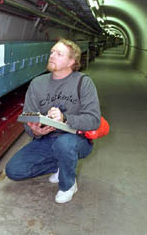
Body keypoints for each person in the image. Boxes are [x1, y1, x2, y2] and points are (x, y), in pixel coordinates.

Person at [6, 39, 101, 203]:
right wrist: (35, 131)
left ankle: (68, 185)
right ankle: (61, 165)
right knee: (14, 170)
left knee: (64, 144)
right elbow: (27, 116)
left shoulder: (83, 82)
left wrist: (65, 118)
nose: (52, 56)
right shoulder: (37, 83)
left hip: (76, 139)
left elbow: (94, 120)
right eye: (52, 52)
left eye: (59, 54)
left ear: (72, 61)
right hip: (47, 139)